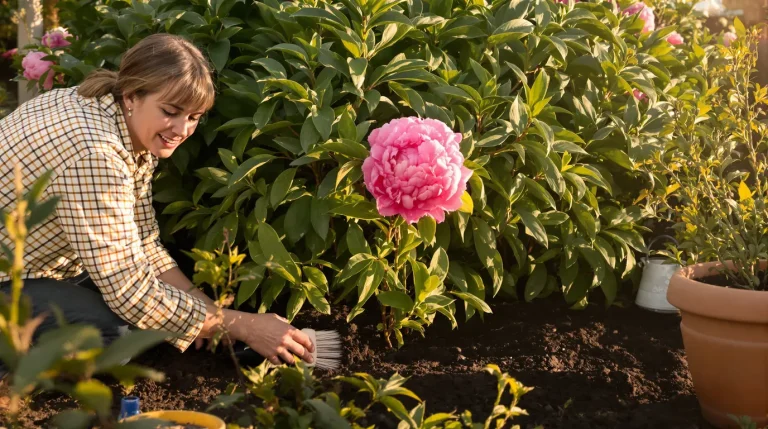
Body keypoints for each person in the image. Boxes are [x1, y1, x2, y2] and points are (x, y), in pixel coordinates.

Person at [0, 33, 314, 367]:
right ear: (133, 94)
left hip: (36, 265)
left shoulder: (112, 114)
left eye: (194, 117)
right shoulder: (96, 152)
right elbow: (129, 292)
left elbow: (143, 243)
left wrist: (214, 320)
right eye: (172, 111)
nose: (182, 129)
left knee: (155, 310)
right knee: (113, 335)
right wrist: (245, 327)